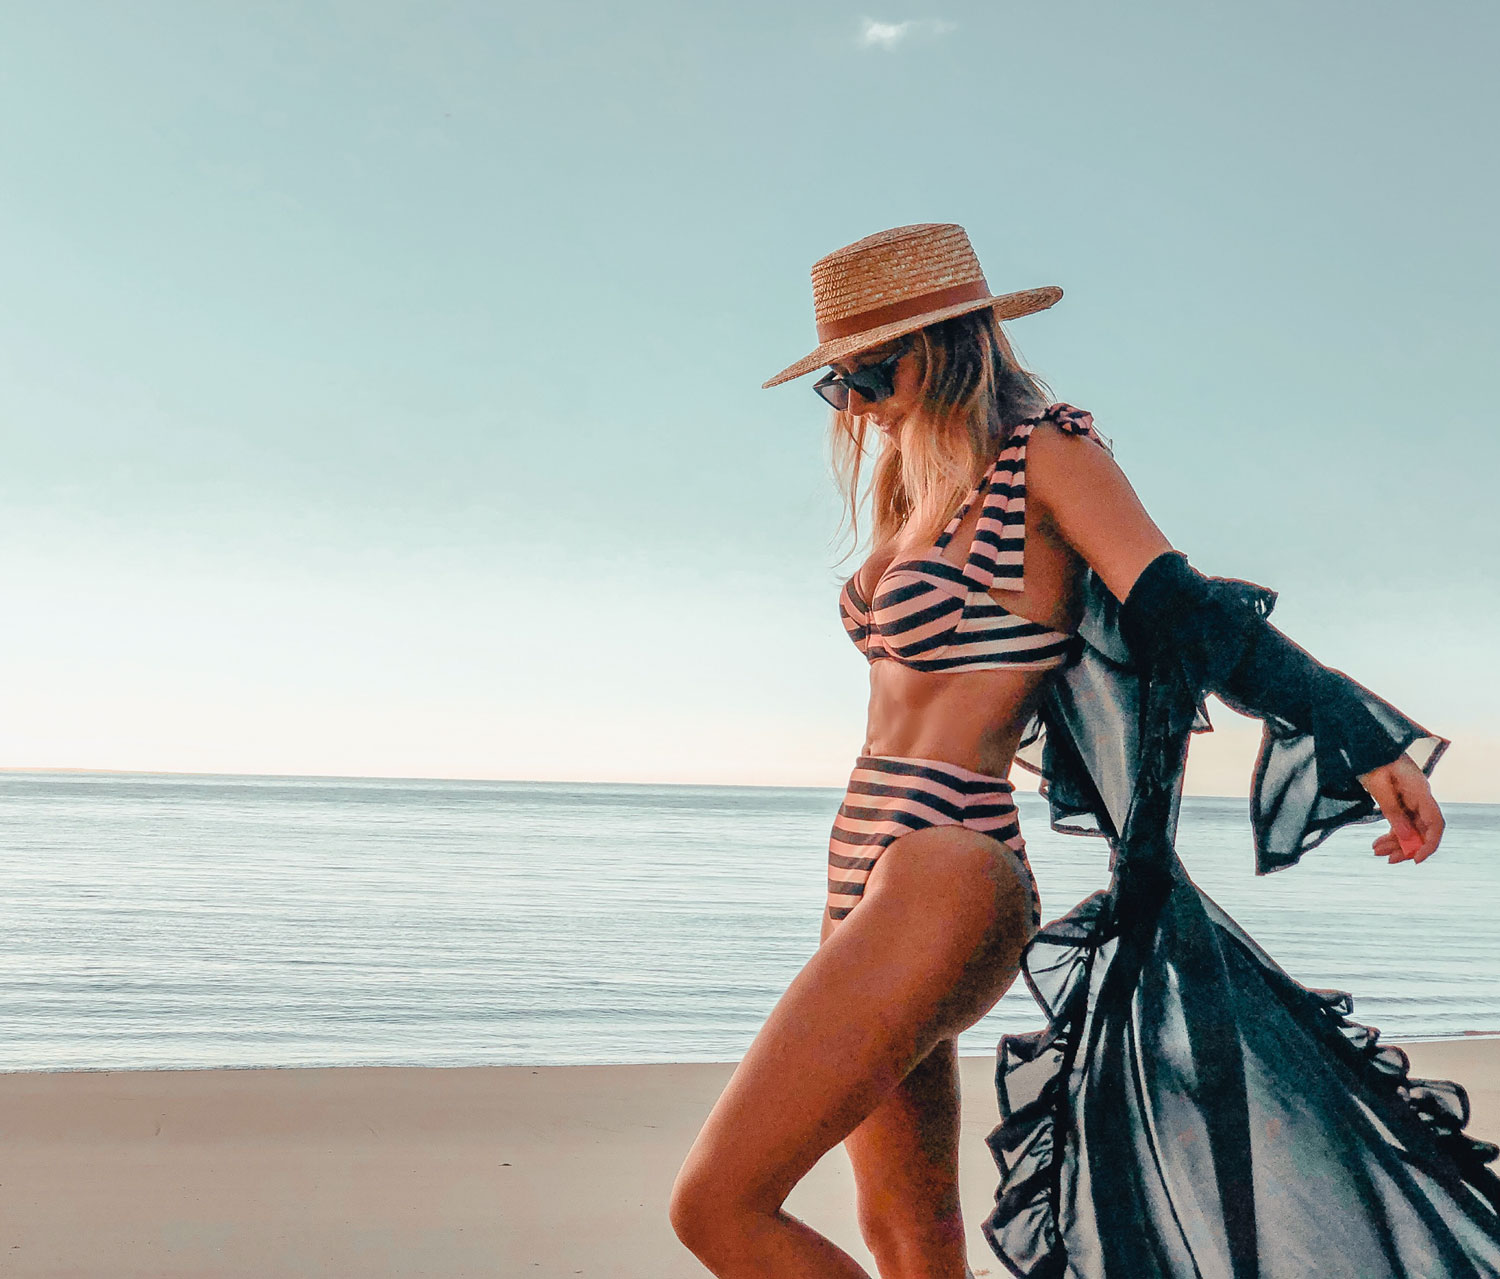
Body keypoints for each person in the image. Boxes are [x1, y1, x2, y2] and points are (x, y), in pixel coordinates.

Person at [667, 223, 1474, 1279]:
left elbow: (1183, 609)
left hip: (949, 861)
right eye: (836, 386)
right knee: (910, 1237)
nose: (856, 403)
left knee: (717, 1206)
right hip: (861, 866)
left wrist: (1353, 728)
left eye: (868, 371)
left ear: (949, 340)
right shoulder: (918, 482)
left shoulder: (1050, 451)